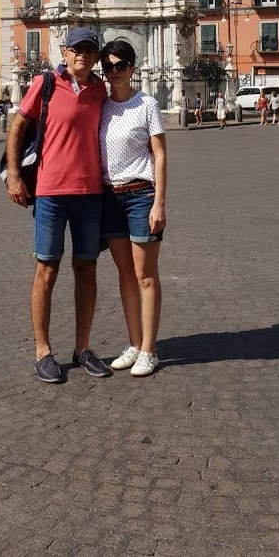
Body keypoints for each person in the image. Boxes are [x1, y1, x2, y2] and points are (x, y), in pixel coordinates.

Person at [5, 27, 110, 384]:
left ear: (96, 56)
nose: (83, 54)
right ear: (64, 52)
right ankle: (42, 351)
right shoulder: (46, 84)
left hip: (90, 194)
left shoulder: (100, 90)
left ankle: (83, 349)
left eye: (89, 49)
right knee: (46, 271)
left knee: (87, 270)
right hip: (50, 193)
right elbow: (18, 126)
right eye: (77, 49)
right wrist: (14, 175)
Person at [99, 40, 166, 377]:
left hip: (141, 196)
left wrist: (159, 203)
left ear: (132, 68)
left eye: (120, 65)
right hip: (110, 197)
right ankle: (135, 343)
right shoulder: (101, 106)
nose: (114, 72)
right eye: (108, 66)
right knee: (125, 274)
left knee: (144, 275)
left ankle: (150, 350)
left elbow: (160, 155)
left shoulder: (147, 105)